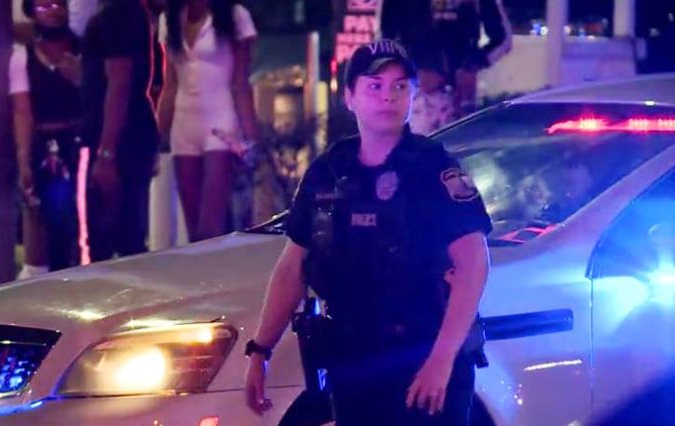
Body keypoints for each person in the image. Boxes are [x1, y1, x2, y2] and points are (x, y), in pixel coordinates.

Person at [245, 39, 493, 425]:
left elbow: (474, 264)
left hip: (425, 356)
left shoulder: (432, 168)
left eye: (399, 86)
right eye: (374, 86)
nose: (388, 97)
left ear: (412, 95)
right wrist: (260, 351)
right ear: (350, 97)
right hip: (356, 363)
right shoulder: (329, 172)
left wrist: (441, 362)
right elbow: (293, 268)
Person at [159, 0, 259, 242]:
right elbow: (170, 84)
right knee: (193, 230)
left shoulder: (236, 16)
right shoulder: (169, 19)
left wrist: (252, 138)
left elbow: (240, 83)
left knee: (210, 227)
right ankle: (202, 278)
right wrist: (158, 135)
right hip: (183, 122)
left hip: (220, 120)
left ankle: (220, 274)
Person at [81, 0, 161, 262]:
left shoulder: (119, 13)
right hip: (129, 133)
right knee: (123, 233)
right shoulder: (129, 12)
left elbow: (119, 83)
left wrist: (107, 154)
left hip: (121, 139)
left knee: (112, 236)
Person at [11, 0, 83, 277]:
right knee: (55, 218)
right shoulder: (23, 57)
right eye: (43, 6)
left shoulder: (84, 50)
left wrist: (81, 77)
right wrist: (24, 160)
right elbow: (22, 111)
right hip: (48, 147)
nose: (52, 11)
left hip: (82, 142)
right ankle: (58, 280)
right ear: (32, 13)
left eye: (57, 4)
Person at [376, 0, 512, 135]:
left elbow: (503, 40)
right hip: (416, 97)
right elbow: (383, 41)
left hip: (460, 97)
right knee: (413, 150)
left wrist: (472, 66)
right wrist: (412, 71)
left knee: (460, 150)